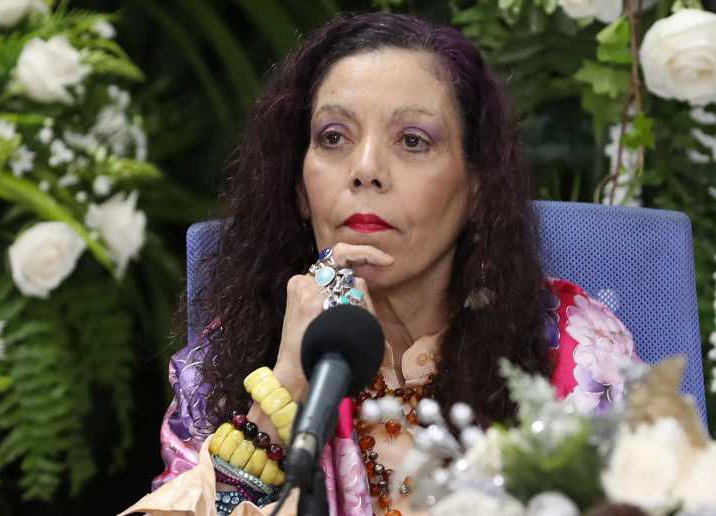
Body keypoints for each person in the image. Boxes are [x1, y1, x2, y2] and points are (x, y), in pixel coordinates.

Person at [121, 11, 636, 516]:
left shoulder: (570, 347)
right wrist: (284, 390)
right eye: (333, 137)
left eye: (413, 140)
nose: (366, 169)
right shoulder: (229, 358)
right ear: (299, 188)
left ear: (477, 189)